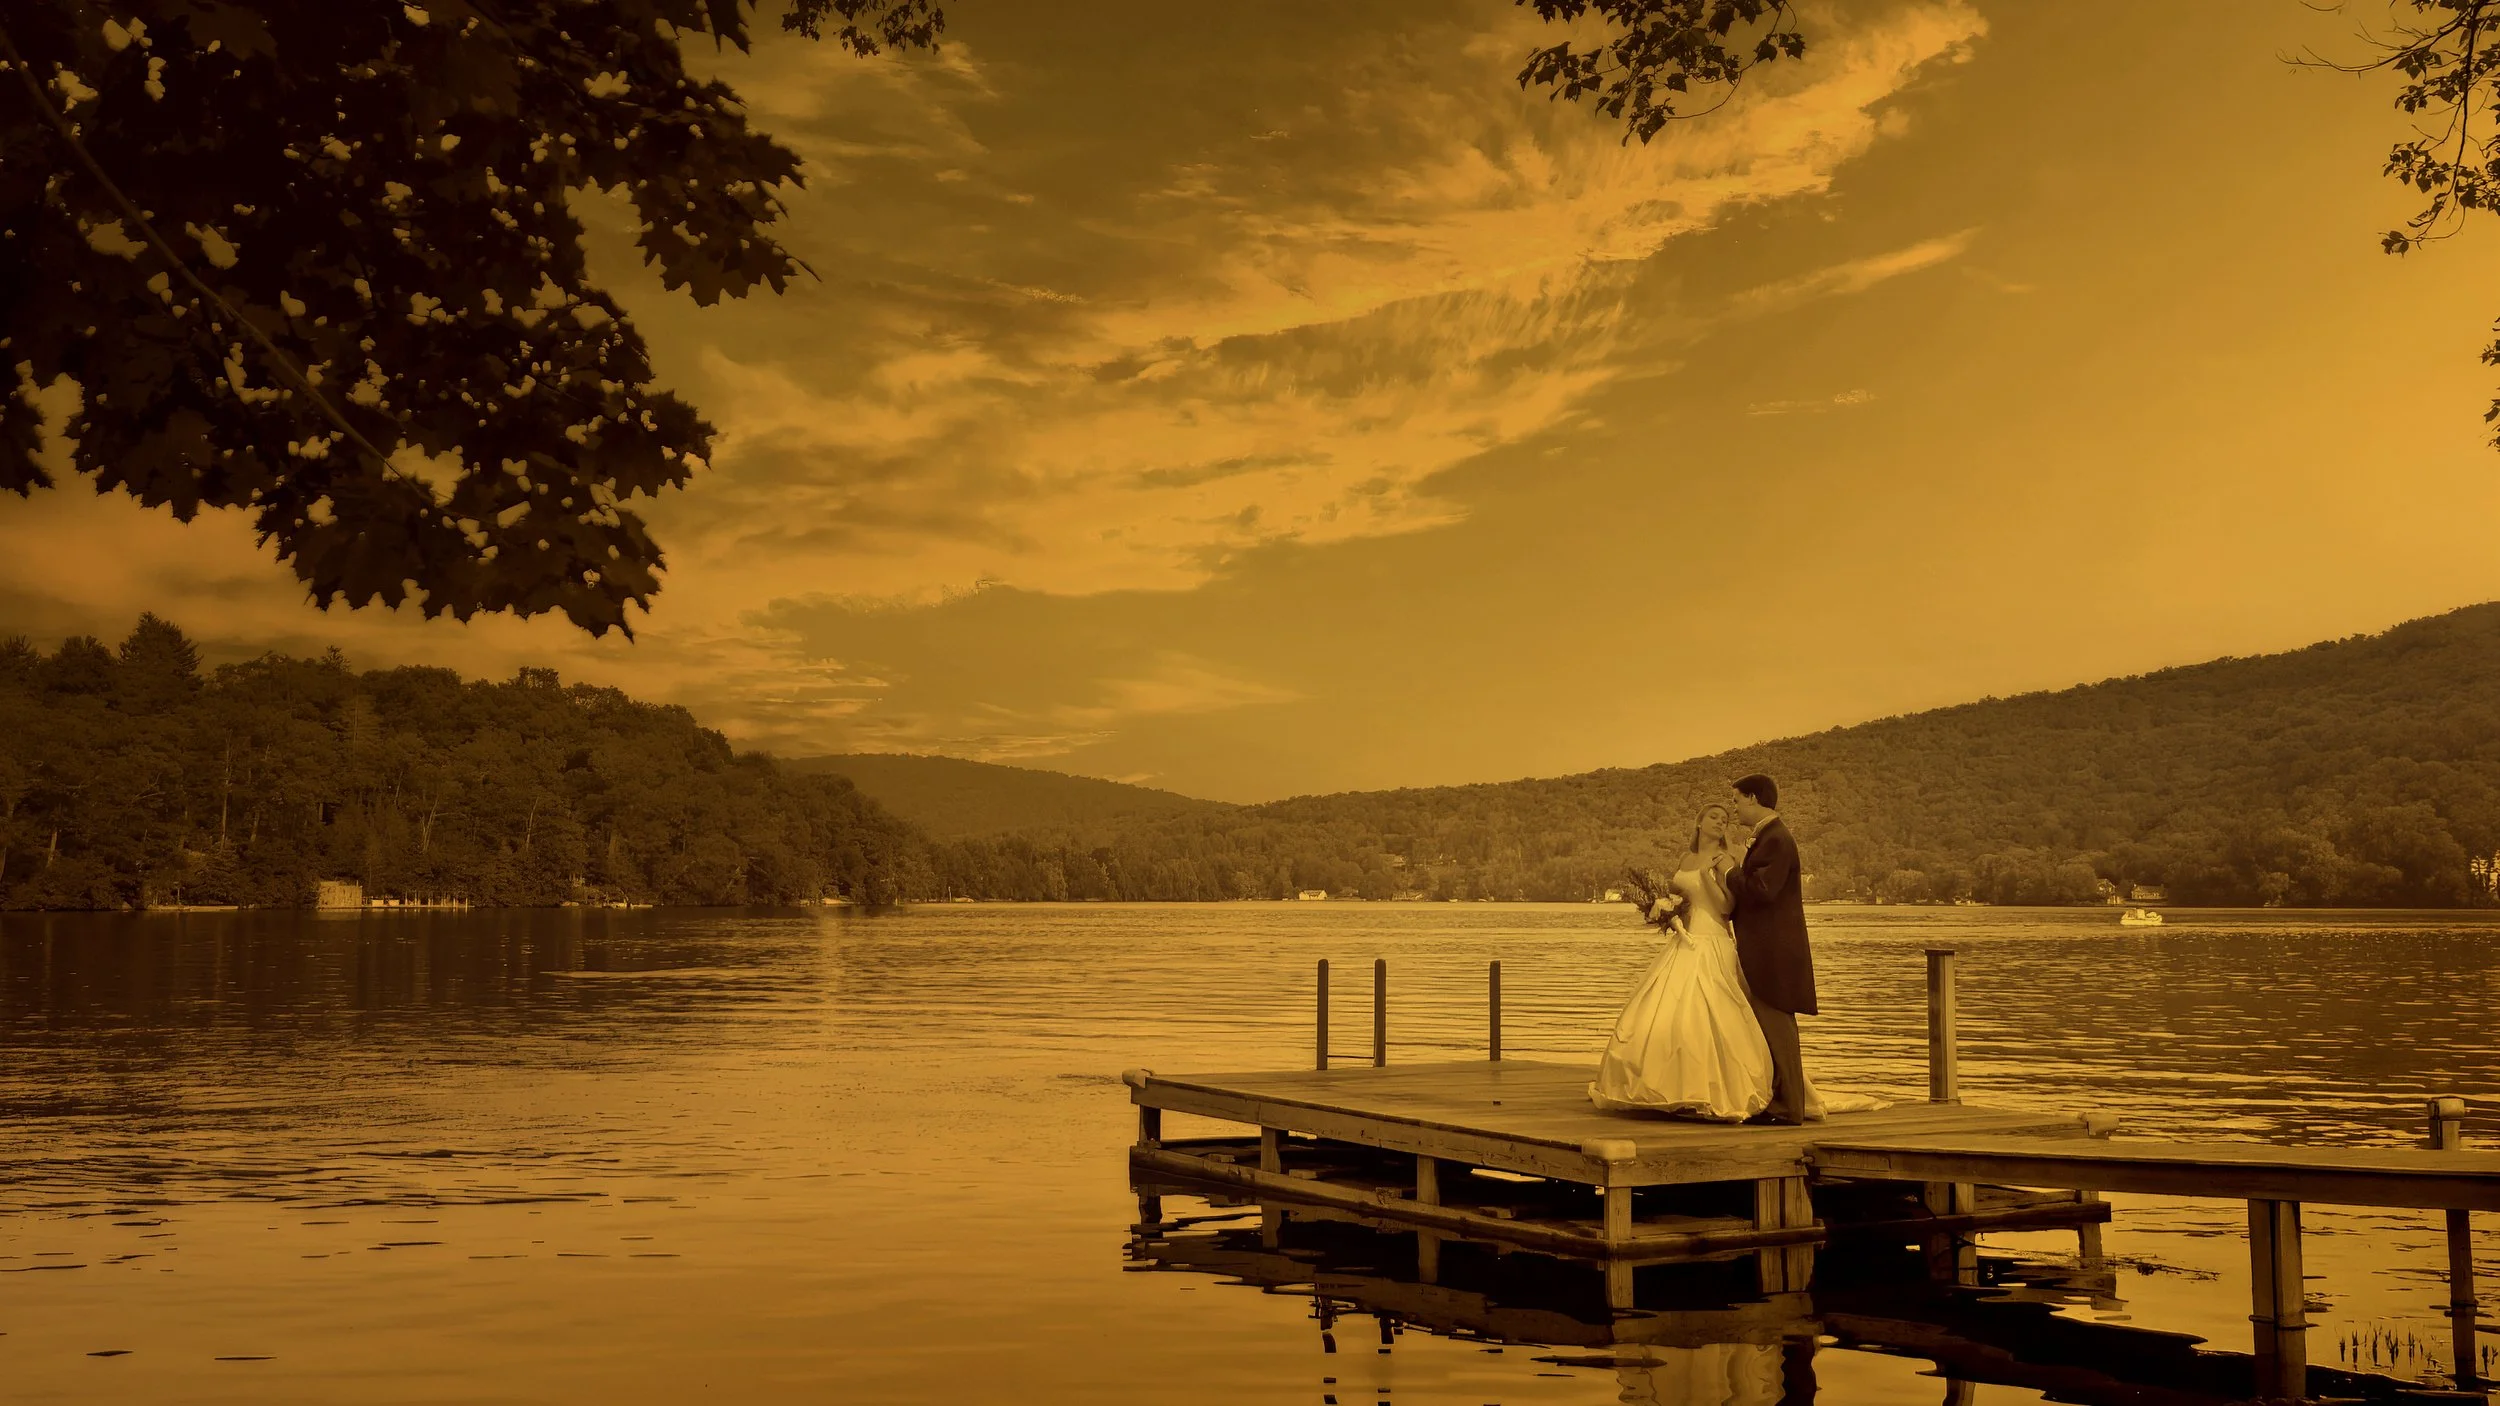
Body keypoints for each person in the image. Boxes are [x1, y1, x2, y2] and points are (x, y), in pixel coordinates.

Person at [1587, 803, 1777, 1121]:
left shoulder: (1725, 859)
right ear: (1699, 822)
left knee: (1708, 1012)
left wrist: (1707, 877)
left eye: (1725, 819)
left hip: (1712, 940)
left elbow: (1726, 907)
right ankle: (1665, 1087)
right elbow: (1681, 898)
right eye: (1713, 817)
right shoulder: (1685, 859)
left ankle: (1707, 1089)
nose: (1720, 822)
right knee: (1662, 1010)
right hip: (1684, 939)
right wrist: (1663, 910)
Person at [1711, 773, 1818, 1125]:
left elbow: (1761, 891)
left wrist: (1728, 871)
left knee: (1778, 1026)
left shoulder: (1776, 838)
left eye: (1739, 800)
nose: (1736, 807)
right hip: (1769, 949)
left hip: (1775, 951)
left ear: (1754, 799)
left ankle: (1790, 1108)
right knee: (1770, 1027)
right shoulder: (1771, 837)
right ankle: (1780, 1101)